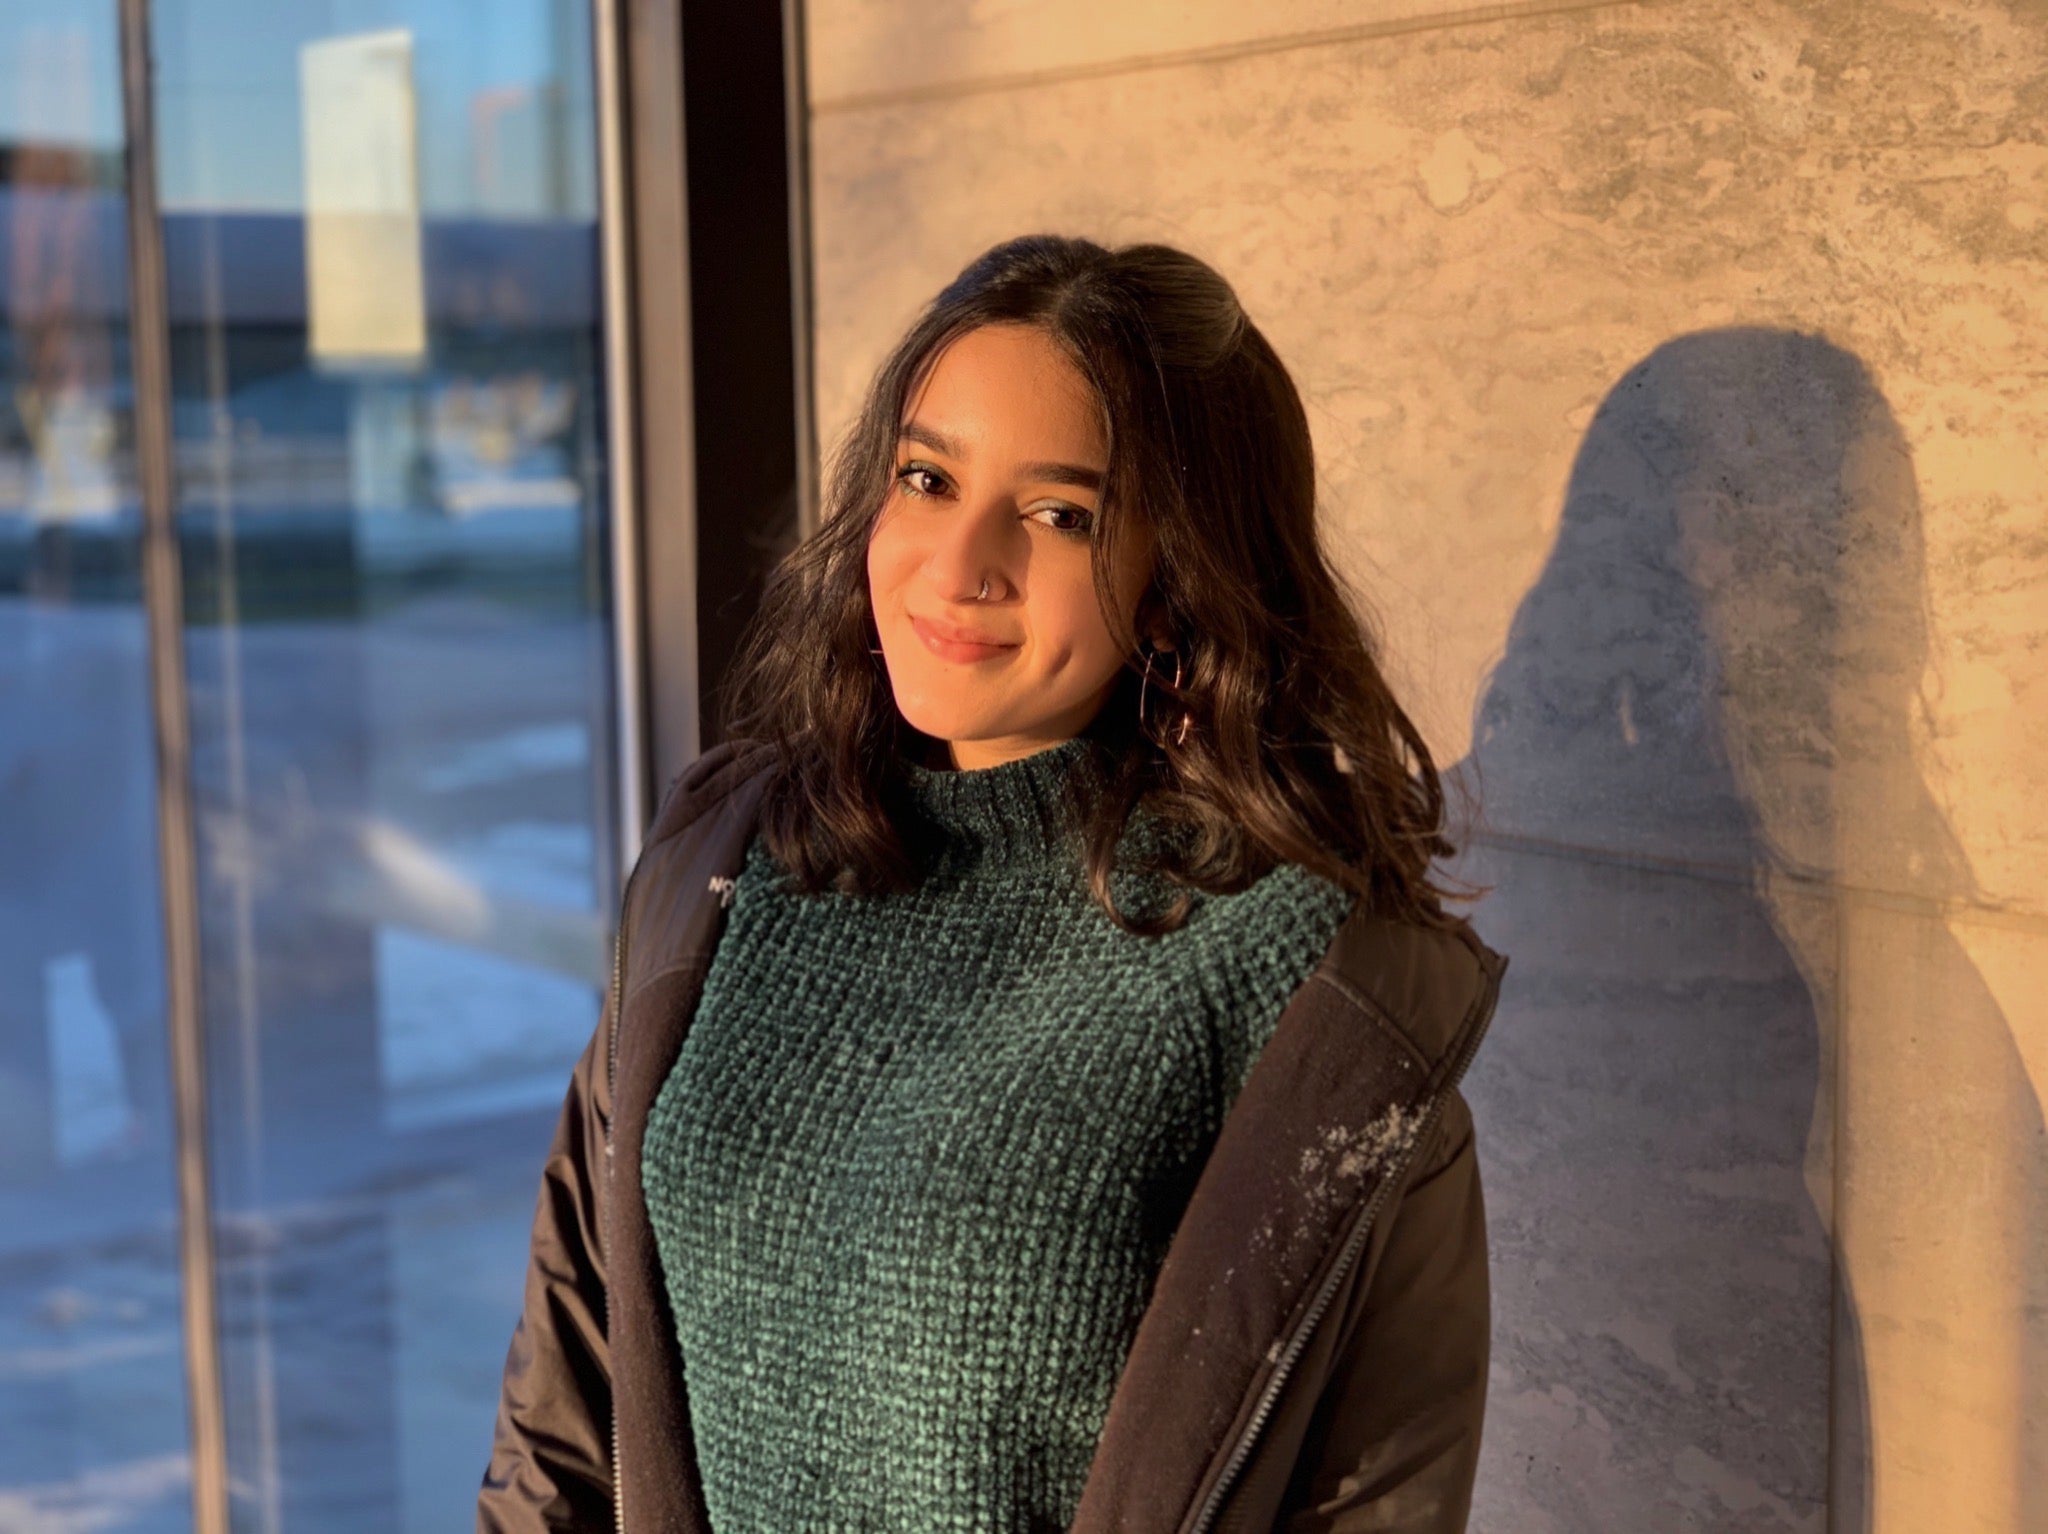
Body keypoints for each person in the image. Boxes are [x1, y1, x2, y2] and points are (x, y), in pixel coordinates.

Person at [478, 233, 1510, 1534]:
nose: (960, 565)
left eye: (1059, 511)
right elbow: (565, 1427)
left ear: (1177, 572)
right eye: (927, 477)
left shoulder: (1310, 997)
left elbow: (1373, 1497)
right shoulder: (728, 864)